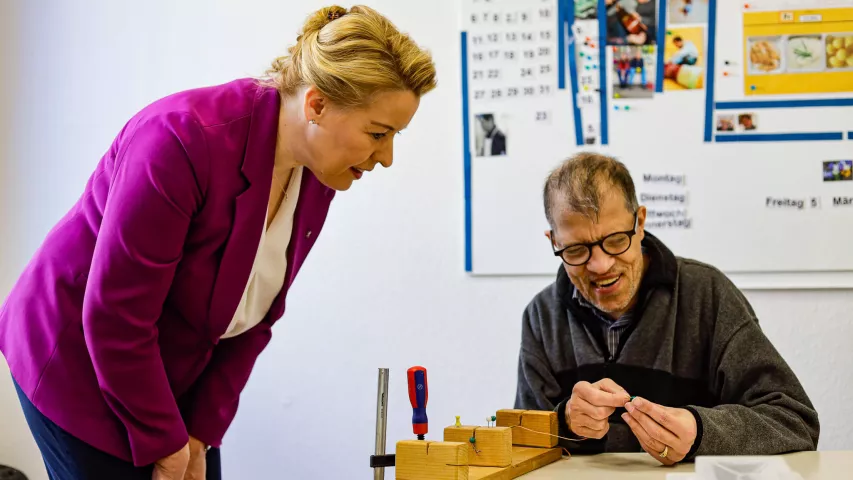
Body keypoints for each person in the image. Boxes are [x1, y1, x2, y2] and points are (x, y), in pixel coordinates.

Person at [0, 5, 436, 480]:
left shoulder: (318, 172)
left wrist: (200, 431)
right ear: (316, 104)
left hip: (162, 367)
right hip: (74, 357)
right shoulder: (179, 140)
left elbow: (256, 316)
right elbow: (115, 317)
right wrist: (166, 443)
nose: (388, 157)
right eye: (378, 133)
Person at [514, 153, 819, 464]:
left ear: (641, 223)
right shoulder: (542, 317)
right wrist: (564, 421)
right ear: (553, 242)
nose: (601, 265)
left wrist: (701, 432)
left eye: (617, 240)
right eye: (577, 249)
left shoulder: (707, 296)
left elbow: (795, 421)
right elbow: (521, 442)